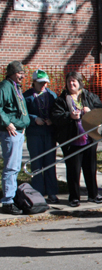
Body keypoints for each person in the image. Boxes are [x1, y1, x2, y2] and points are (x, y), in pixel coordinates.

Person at [51, 72, 102, 207]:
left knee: (90, 169)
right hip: (72, 141)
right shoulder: (62, 99)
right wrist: (70, 116)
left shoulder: (90, 96)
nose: (71, 84)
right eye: (69, 81)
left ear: (80, 82)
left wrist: (90, 110)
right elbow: (56, 117)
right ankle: (74, 197)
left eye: (74, 81)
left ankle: (93, 194)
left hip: (89, 139)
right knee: (73, 170)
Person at [23, 69, 59, 204]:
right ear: (34, 82)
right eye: (40, 83)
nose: (43, 85)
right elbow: (23, 113)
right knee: (36, 163)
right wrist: (34, 119)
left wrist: (52, 120)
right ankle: (38, 192)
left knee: (50, 163)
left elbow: (57, 111)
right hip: (34, 134)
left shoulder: (51, 95)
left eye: (45, 83)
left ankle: (52, 192)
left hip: (49, 133)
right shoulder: (26, 96)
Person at [0, 61, 30, 215]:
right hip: (10, 132)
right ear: (12, 73)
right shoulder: (5, 86)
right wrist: (7, 123)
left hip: (19, 131)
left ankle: (11, 197)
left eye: (23, 73)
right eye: (19, 73)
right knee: (11, 167)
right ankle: (7, 201)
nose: (22, 76)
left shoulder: (16, 87)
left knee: (16, 167)